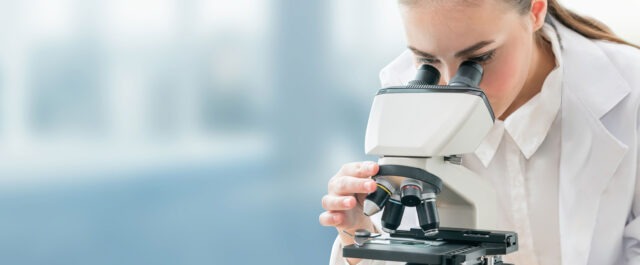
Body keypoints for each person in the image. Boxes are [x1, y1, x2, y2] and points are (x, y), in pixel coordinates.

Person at [318, 0, 640, 264]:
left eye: (478, 59)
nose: (450, 82)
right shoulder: (402, 93)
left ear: (536, 10)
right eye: (426, 61)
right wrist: (359, 235)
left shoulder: (630, 90)